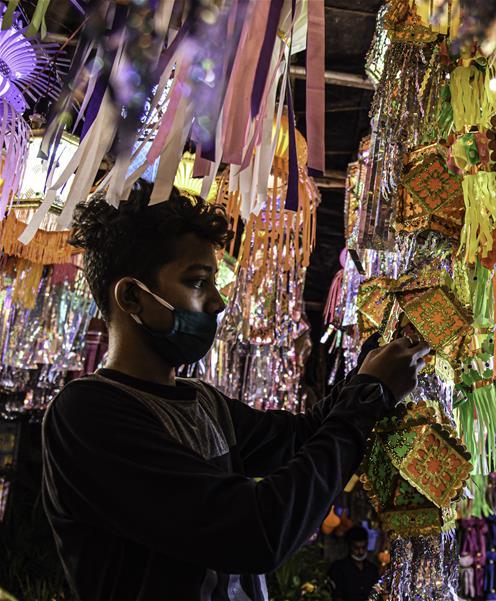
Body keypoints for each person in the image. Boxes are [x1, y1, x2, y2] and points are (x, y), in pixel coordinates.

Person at [41, 181, 430, 601]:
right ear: (133, 297)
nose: (218, 302)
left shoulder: (201, 401)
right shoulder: (87, 414)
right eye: (197, 282)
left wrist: (371, 367)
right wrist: (368, 397)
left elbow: (302, 437)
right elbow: (257, 531)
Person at [327, 526, 380, 601]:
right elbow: (336, 595)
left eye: (363, 547)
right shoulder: (338, 568)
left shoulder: (372, 569)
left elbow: (376, 593)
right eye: (356, 548)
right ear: (349, 546)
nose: (360, 552)